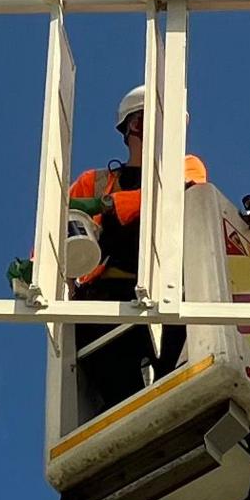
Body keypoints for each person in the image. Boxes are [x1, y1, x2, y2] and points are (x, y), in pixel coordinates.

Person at [61, 86, 211, 408]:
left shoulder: (188, 166)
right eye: (152, 121)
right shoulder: (95, 180)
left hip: (168, 294)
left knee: (172, 386)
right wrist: (37, 268)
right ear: (134, 126)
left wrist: (108, 205)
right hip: (106, 300)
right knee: (122, 396)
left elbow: (170, 195)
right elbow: (62, 229)